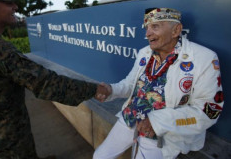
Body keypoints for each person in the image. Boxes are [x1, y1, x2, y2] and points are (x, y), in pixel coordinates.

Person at [0, 0, 107, 159]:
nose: (15, 7)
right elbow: (46, 83)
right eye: (8, 3)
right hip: (8, 130)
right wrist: (95, 89)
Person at [93, 8, 224, 159]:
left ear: (176, 30)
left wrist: (157, 121)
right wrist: (111, 90)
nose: (147, 33)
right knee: (100, 156)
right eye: (147, 28)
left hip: (164, 132)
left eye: (155, 27)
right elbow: (130, 84)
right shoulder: (145, 52)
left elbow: (209, 110)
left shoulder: (204, 58)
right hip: (130, 116)